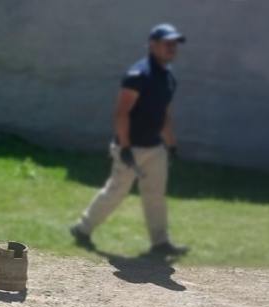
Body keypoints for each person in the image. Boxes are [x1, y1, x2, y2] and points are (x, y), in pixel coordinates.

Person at [70, 23, 189, 256]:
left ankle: (160, 242)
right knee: (115, 191)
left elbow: (164, 113)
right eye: (167, 43)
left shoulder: (168, 77)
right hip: (131, 148)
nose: (172, 47)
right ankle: (82, 228)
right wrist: (124, 147)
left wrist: (171, 144)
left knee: (155, 196)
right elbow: (121, 113)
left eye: (175, 44)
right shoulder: (138, 75)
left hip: (155, 148)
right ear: (152, 45)